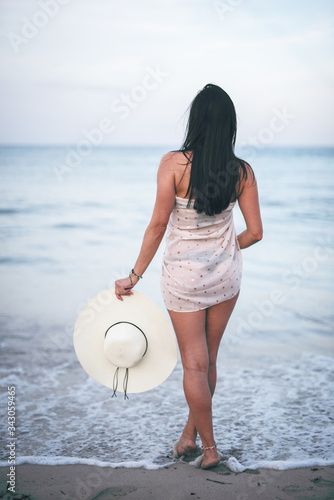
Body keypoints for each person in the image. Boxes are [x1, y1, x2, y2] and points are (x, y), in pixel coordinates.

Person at [115, 83, 263, 470]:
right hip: (226, 278)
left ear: (196, 121)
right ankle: (188, 438)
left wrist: (134, 276)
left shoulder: (173, 164)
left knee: (194, 366)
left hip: (183, 279)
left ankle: (210, 451)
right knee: (208, 363)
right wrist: (227, 248)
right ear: (229, 124)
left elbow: (158, 224)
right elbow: (255, 232)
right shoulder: (242, 172)